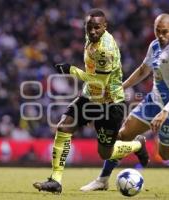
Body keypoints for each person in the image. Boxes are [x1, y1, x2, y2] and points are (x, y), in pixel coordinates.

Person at [80, 13, 169, 191]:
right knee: (122, 136)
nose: (161, 36)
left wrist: (165, 112)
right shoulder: (155, 45)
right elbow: (143, 70)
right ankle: (102, 179)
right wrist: (121, 87)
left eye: (165, 32)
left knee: (167, 154)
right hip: (152, 102)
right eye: (158, 31)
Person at [33, 9, 149, 194]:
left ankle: (138, 144)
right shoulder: (90, 39)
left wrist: (71, 70)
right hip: (90, 97)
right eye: (89, 27)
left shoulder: (105, 50)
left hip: (110, 103)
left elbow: (100, 82)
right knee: (64, 127)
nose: (93, 31)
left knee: (105, 153)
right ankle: (55, 180)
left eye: (97, 27)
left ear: (105, 27)